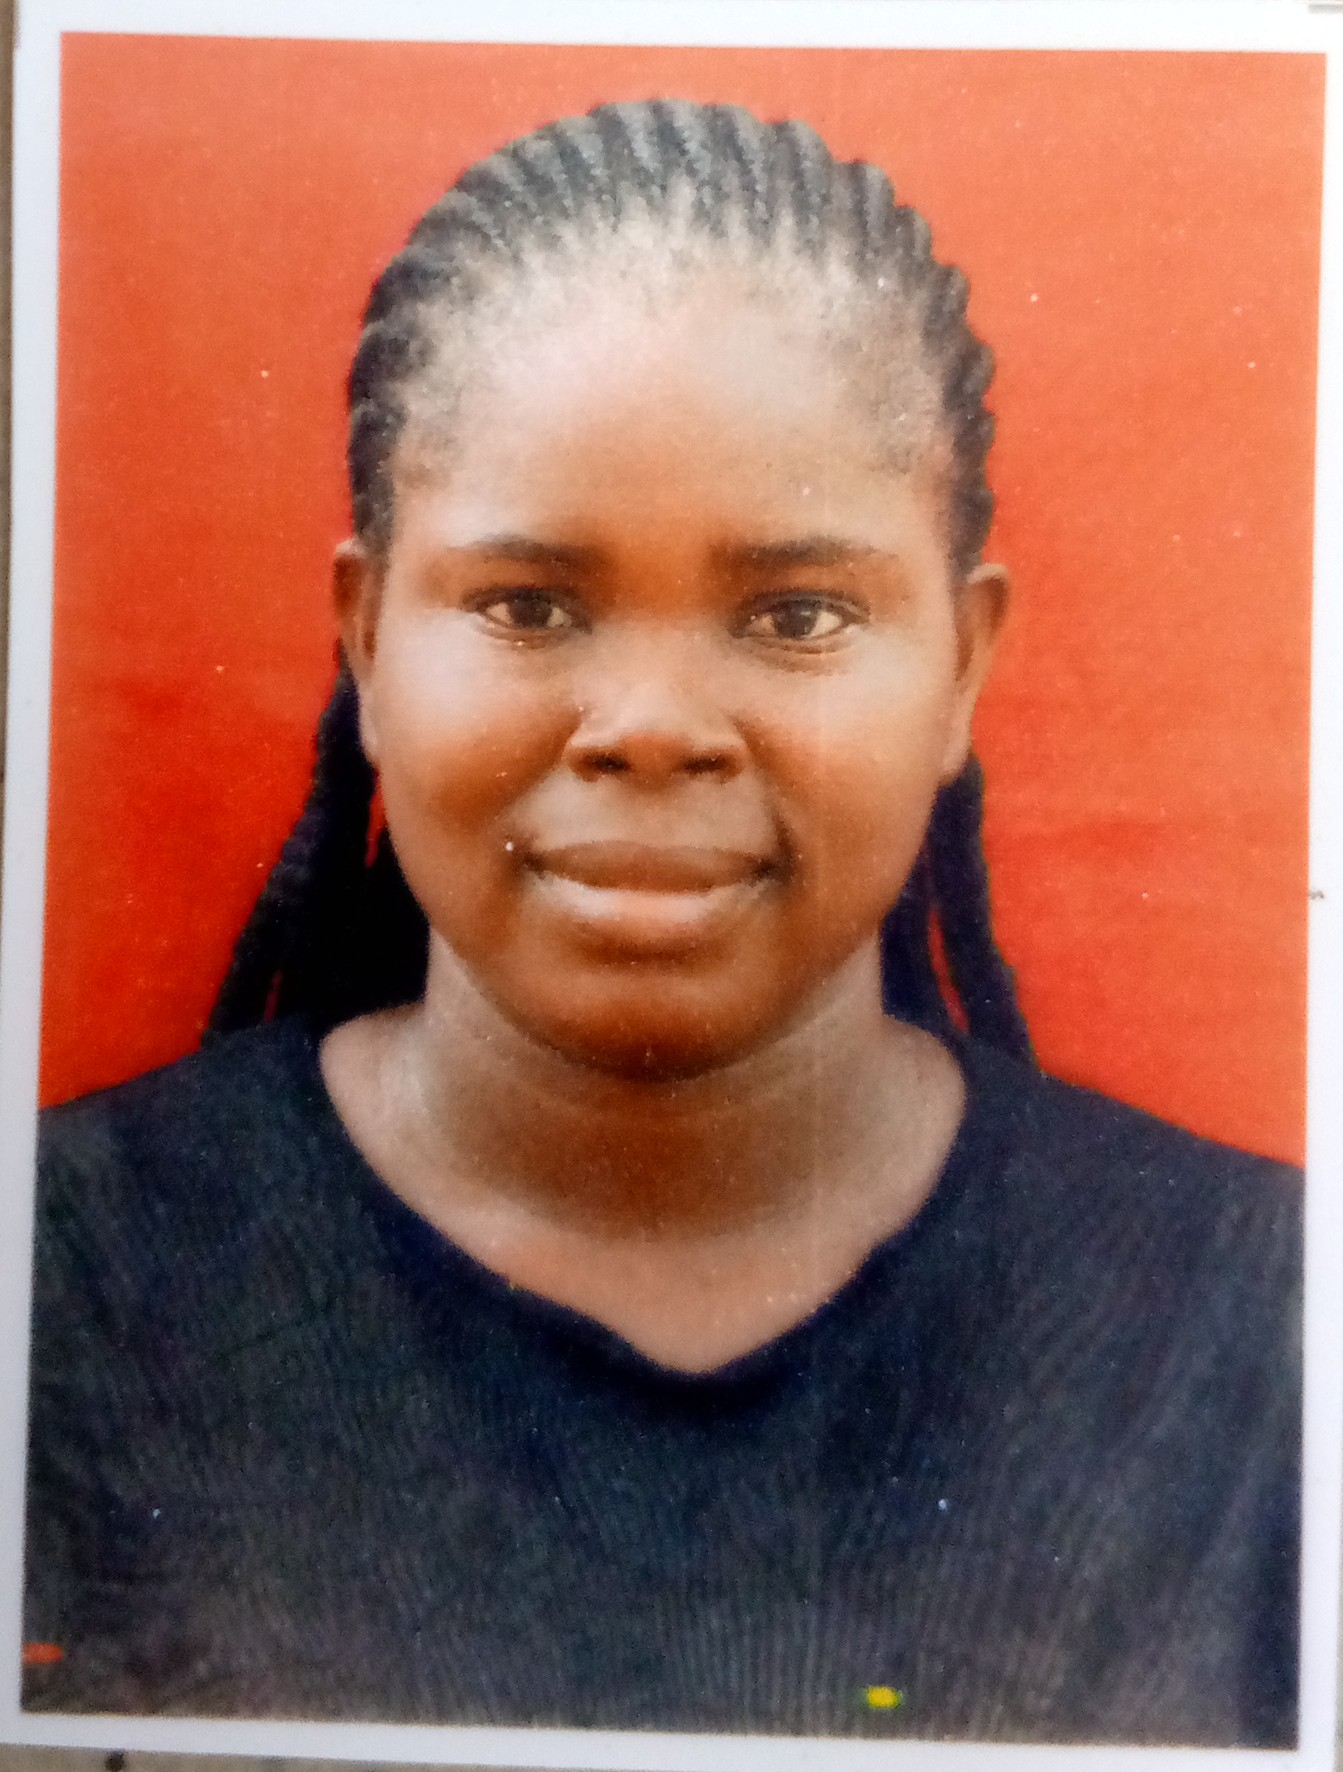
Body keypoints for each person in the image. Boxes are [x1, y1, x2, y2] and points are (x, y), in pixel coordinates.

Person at [22, 99, 1300, 1745]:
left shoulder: (1267, 1333)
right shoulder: (58, 1285)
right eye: (529, 604)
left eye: (797, 615)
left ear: (963, 667)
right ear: (367, 639)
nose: (650, 726)